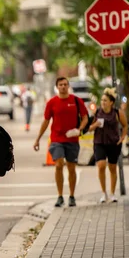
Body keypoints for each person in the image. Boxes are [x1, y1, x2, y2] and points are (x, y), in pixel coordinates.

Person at [33, 77, 89, 207]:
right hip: (57, 139)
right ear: (57, 87)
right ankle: (59, 196)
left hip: (73, 139)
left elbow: (85, 117)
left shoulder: (76, 101)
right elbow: (46, 121)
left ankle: (72, 196)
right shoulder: (52, 102)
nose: (63, 87)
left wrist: (79, 129)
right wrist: (38, 139)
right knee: (58, 165)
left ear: (68, 86)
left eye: (65, 84)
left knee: (71, 168)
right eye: (60, 85)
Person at [87, 88, 128, 203]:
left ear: (111, 102)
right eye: (102, 100)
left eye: (105, 100)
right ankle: (103, 193)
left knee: (112, 168)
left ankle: (112, 193)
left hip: (113, 143)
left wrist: (122, 137)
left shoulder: (117, 112)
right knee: (101, 165)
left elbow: (125, 126)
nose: (103, 102)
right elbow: (89, 128)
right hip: (99, 142)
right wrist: (95, 125)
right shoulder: (97, 112)